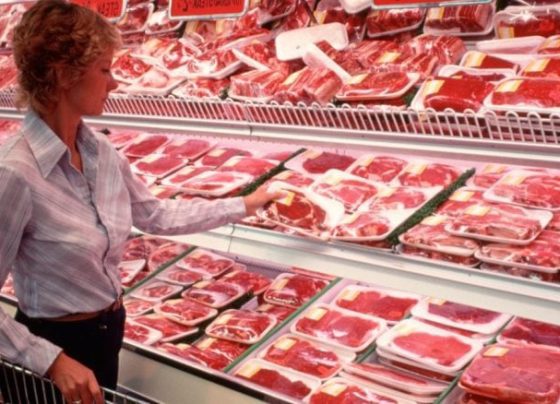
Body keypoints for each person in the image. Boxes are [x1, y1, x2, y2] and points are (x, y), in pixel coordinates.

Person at [0, 1, 279, 403]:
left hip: (106, 334)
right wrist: (51, 361)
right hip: (54, 351)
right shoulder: (15, 172)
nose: (114, 84)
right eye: (105, 70)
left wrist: (244, 205)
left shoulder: (101, 153)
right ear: (63, 75)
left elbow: (155, 215)